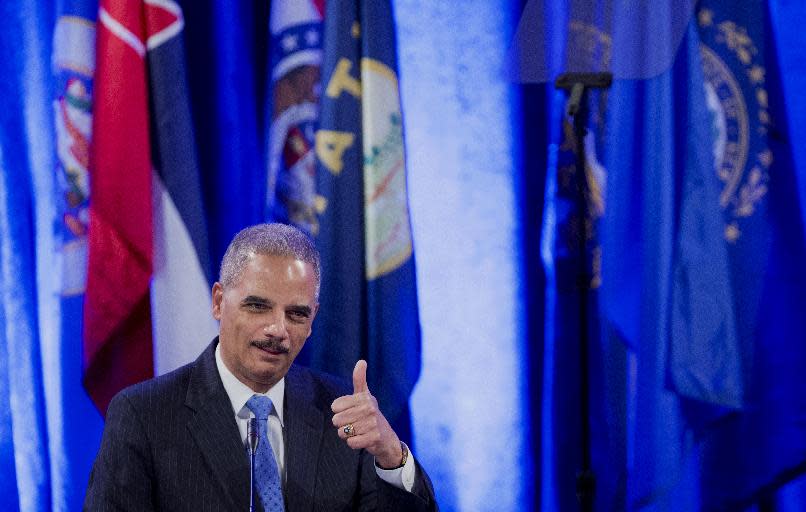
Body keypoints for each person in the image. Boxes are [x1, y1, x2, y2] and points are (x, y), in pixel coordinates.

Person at [84, 223, 437, 511]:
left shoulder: (344, 412)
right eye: (258, 306)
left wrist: (392, 456)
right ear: (219, 302)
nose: (277, 330)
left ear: (312, 319)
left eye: (296, 314)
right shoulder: (144, 415)